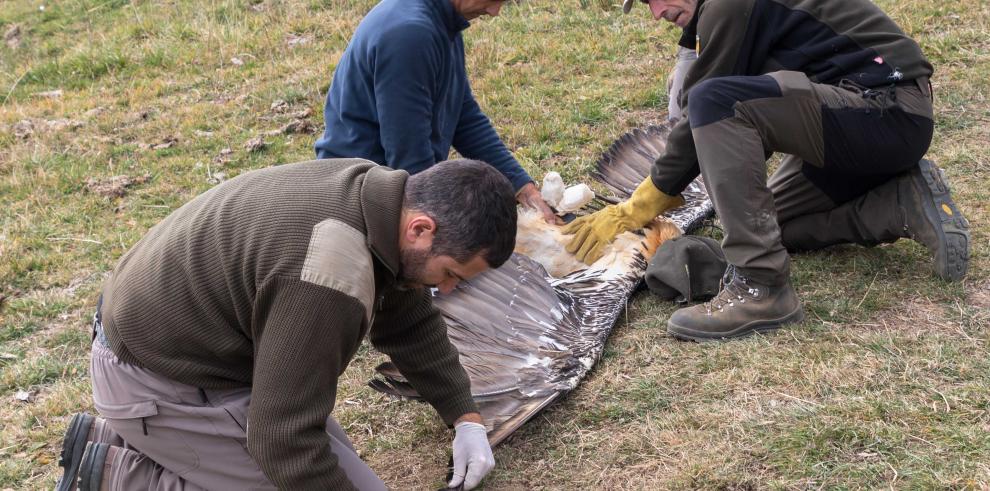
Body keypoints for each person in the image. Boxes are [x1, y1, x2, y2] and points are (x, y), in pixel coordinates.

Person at [56, 158, 515, 490]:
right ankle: (120, 476)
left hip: (193, 354)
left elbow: (409, 323)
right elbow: (283, 440)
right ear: (421, 229)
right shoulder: (329, 272)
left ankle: (144, 443)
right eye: (452, 274)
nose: (449, 289)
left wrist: (465, 417)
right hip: (157, 379)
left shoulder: (378, 198)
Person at [565, 0, 970, 341]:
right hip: (867, 126)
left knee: (715, 100)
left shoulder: (726, 4)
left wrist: (638, 206)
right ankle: (898, 202)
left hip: (885, 111)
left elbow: (702, 115)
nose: (655, 12)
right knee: (768, 229)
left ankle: (761, 288)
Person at [315, 0, 559, 224]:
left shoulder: (442, 23)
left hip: (396, 186)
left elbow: (464, 117)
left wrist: (521, 186)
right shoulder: (411, 35)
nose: (494, 11)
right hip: (357, 203)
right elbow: (409, 159)